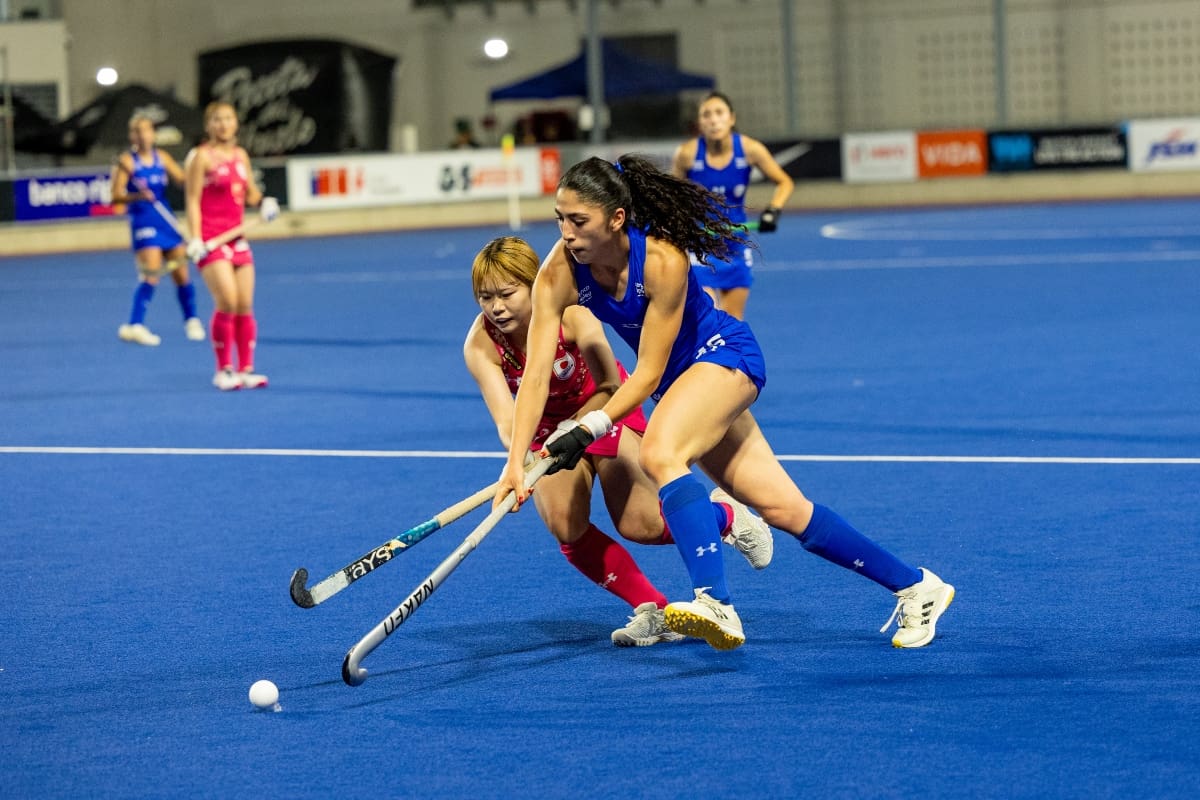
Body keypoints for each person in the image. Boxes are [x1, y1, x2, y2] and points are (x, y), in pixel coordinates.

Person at [496, 155, 953, 652]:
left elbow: (646, 373)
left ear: (617, 218)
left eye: (578, 220)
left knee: (660, 453)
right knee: (785, 508)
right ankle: (917, 587)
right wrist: (514, 463)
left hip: (722, 355)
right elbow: (535, 375)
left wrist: (590, 426)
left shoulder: (661, 260)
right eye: (560, 218)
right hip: (683, 380)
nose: (566, 232)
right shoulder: (557, 273)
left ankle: (716, 601)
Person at [464, 235, 773, 647]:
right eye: (485, 297)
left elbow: (609, 384)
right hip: (547, 431)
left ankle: (726, 518)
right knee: (564, 525)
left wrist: (577, 427)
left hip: (604, 410)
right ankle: (655, 609)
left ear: (533, 284)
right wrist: (516, 463)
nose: (496, 307)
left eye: (507, 293)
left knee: (640, 524)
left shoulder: (570, 313)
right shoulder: (481, 345)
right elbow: (507, 421)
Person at [671, 91, 795, 320]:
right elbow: (671, 196)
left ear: (731, 118)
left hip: (735, 246)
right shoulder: (687, 154)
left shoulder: (750, 149)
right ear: (700, 123)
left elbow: (784, 182)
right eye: (707, 115)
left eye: (719, 113)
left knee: (732, 321)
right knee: (708, 316)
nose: (714, 119)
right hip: (701, 247)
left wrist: (773, 210)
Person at [184, 101, 279, 391]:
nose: (223, 124)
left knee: (244, 304)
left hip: (237, 238)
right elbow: (191, 199)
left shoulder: (241, 155)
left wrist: (264, 202)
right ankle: (223, 369)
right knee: (226, 300)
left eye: (228, 119)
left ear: (236, 123)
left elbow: (248, 190)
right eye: (216, 120)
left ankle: (246, 368)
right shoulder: (201, 157)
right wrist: (196, 237)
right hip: (211, 240)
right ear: (208, 125)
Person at [110, 115, 205, 346]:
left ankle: (191, 320)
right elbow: (115, 196)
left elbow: (183, 180)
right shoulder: (127, 162)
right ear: (132, 135)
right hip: (143, 222)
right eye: (137, 131)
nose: (142, 135)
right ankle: (136, 325)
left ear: (153, 134)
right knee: (151, 273)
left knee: (181, 274)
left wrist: (200, 168)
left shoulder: (161, 157)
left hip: (166, 219)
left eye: (146, 130)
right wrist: (136, 196)